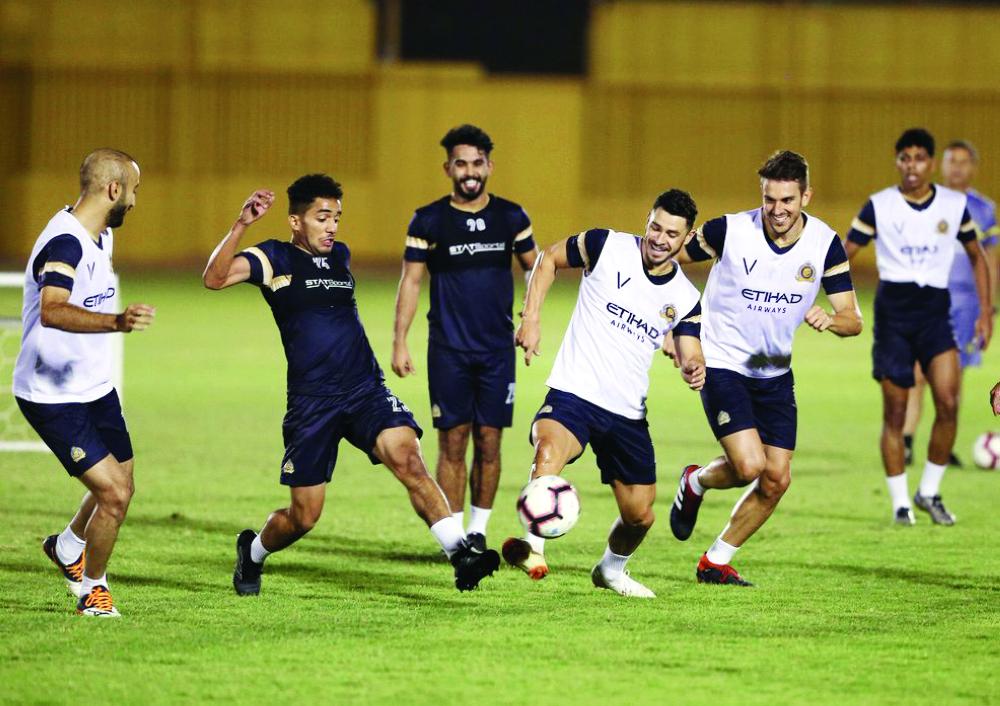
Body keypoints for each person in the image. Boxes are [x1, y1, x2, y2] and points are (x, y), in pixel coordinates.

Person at [202, 174, 500, 595]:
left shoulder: (340, 255)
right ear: (295, 221)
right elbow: (214, 279)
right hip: (312, 403)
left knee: (408, 459)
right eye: (322, 218)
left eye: (337, 218)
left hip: (365, 389)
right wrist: (241, 224)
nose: (332, 227)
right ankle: (252, 552)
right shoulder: (273, 257)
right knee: (304, 516)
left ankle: (460, 554)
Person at [670, 150, 862, 585]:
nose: (777, 210)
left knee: (776, 478)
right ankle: (697, 484)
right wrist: (676, 326)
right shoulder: (729, 230)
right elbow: (667, 261)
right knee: (750, 466)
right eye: (769, 199)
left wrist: (831, 321)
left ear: (806, 197)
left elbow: (853, 319)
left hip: (774, 373)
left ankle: (714, 557)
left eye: (787, 200)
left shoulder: (825, 244)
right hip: (722, 362)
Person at [503, 189, 705, 598]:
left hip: (626, 412)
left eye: (671, 234)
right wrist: (531, 317)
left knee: (640, 515)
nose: (659, 239)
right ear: (647, 220)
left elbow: (691, 349)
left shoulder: (685, 297)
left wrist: (693, 365)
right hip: (575, 392)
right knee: (548, 448)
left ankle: (610, 571)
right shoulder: (606, 245)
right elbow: (548, 259)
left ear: (686, 239)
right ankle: (533, 547)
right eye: (655, 227)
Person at [16, 148, 154, 617]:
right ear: (114, 190)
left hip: (94, 386)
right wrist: (116, 322)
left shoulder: (101, 233)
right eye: (133, 190)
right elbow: (53, 310)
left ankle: (68, 545)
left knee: (123, 481)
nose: (134, 201)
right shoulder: (66, 244)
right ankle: (92, 590)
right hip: (53, 396)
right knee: (114, 494)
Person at [392, 125, 538, 553]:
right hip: (448, 350)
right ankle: (455, 540)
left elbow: (535, 268)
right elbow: (411, 281)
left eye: (477, 163)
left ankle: (478, 530)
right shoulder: (428, 220)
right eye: (461, 164)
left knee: (490, 441)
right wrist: (400, 340)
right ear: (448, 169)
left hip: (496, 351)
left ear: (489, 166)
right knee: (452, 442)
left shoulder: (511, 217)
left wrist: (530, 318)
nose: (469, 171)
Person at [846, 128, 992, 526]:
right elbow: (844, 254)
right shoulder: (879, 205)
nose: (912, 166)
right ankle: (900, 504)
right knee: (895, 412)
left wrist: (985, 312)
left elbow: (977, 256)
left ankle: (929, 491)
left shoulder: (953, 205)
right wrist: (824, 294)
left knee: (949, 402)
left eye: (919, 158)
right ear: (897, 162)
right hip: (893, 314)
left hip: (934, 313)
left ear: (930, 163)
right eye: (904, 158)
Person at [902, 140, 998, 466]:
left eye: (963, 161)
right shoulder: (924, 202)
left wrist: (988, 306)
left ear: (973, 167)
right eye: (951, 161)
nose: (956, 167)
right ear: (941, 166)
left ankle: (943, 445)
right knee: (918, 371)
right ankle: (907, 440)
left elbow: (991, 259)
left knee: (952, 378)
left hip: (967, 304)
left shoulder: (984, 209)